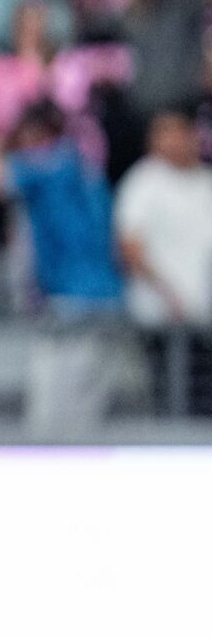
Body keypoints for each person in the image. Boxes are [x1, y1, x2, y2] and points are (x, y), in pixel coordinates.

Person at [114, 111, 212, 413]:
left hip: (203, 320)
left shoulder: (204, 182)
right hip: (161, 320)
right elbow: (130, 250)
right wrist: (169, 295)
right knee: (169, 404)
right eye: (162, 134)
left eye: (177, 133)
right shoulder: (145, 181)